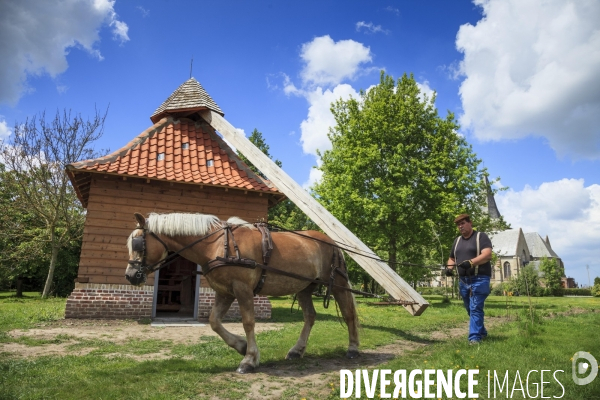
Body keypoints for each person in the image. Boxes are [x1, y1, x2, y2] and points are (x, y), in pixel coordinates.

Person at [445, 213, 493, 345]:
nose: (460, 226)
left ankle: (474, 338)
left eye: (463, 223)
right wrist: (449, 268)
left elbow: (487, 255)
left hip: (480, 278)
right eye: (458, 224)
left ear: (470, 223)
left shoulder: (480, 237)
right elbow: (452, 258)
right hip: (463, 281)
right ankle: (482, 332)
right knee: (469, 308)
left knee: (475, 307)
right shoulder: (457, 241)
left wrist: (471, 263)